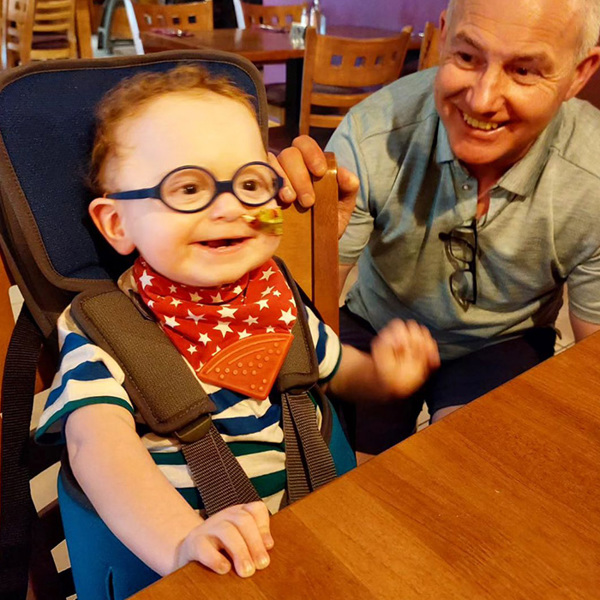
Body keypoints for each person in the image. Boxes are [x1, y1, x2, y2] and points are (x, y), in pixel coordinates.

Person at [34, 65, 439, 599]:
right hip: (194, 568)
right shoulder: (103, 331)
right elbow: (97, 450)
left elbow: (339, 372)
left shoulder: (278, 296)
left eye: (250, 183)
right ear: (118, 225)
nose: (230, 207)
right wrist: (182, 541)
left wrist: (385, 376)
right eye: (188, 188)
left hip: (315, 539)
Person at [272, 0, 600, 451]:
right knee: (332, 455)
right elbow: (307, 315)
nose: (482, 100)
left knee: (473, 466)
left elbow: (591, 364)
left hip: (506, 339)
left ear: (580, 74)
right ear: (443, 36)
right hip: (377, 322)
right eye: (467, 57)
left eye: (524, 70)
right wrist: (298, 233)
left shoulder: (593, 173)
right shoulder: (373, 133)